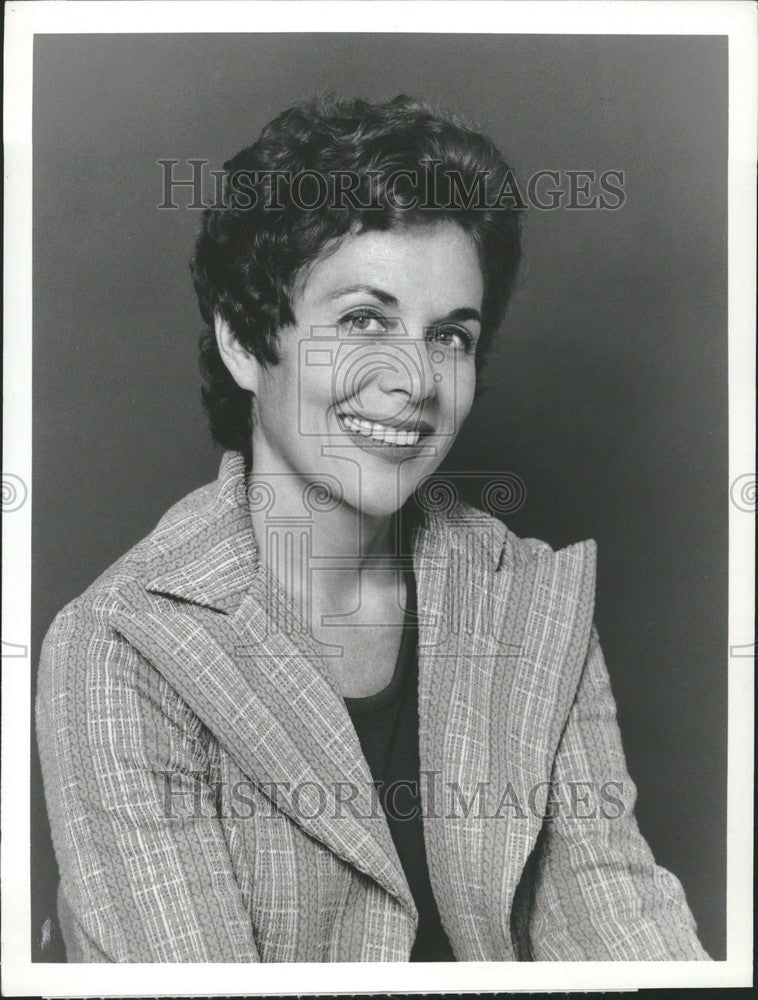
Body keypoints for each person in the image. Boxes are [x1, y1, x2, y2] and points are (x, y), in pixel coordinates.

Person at [36, 94, 709, 963]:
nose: (416, 381)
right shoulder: (124, 644)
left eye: (452, 337)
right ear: (245, 339)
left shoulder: (532, 599)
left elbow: (621, 925)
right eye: (365, 320)